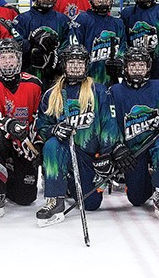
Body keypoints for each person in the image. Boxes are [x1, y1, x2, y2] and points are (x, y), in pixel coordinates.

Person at [34, 44, 127, 226]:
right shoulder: (51, 94)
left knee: (91, 204)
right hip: (64, 150)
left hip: (88, 156)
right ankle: (55, 200)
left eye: (79, 63)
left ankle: (68, 183)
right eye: (71, 63)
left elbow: (109, 125)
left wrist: (106, 155)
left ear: (86, 65)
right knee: (52, 144)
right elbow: (42, 127)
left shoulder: (99, 91)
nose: (75, 66)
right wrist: (54, 130)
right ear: (64, 65)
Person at [107, 47, 159, 223]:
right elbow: (109, 125)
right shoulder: (114, 92)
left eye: (141, 65)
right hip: (133, 151)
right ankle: (149, 177)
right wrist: (118, 147)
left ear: (148, 67)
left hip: (156, 143)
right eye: (132, 65)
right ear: (125, 68)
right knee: (137, 199)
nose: (136, 69)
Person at [0, 38, 42, 222]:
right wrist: (11, 125)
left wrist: (36, 143)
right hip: (3, 138)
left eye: (11, 57)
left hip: (24, 142)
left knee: (25, 198)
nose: (7, 61)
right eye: (3, 57)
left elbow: (39, 118)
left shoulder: (34, 84)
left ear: (19, 59)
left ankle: (11, 176)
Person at [12, 0, 70, 87]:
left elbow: (67, 46)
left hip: (56, 80)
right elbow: (16, 45)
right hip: (28, 78)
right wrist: (31, 47)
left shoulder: (63, 20)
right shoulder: (22, 19)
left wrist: (55, 59)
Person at [69, 0, 127, 86]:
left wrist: (120, 63)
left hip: (111, 82)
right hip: (86, 82)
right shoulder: (82, 19)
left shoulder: (118, 23)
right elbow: (73, 49)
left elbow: (123, 50)